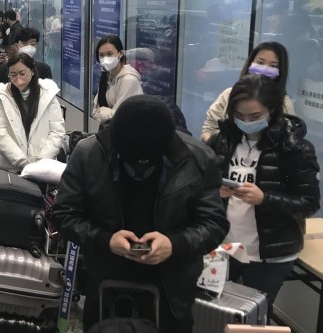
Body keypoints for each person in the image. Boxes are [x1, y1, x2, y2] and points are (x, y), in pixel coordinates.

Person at [52, 94, 230, 333]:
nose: (139, 171)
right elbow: (64, 215)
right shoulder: (89, 154)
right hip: (106, 282)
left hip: (171, 290)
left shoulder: (197, 159)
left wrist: (174, 244)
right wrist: (106, 239)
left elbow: (214, 223)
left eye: (148, 163)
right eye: (131, 163)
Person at [207, 74, 320, 320]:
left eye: (255, 117)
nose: (246, 122)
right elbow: (204, 185)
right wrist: (216, 192)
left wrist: (265, 198)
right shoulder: (225, 139)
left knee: (254, 317)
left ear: (272, 110)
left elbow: (310, 203)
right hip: (224, 244)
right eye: (239, 116)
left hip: (269, 253)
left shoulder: (295, 148)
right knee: (214, 310)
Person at [201, 41, 295, 143]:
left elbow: (289, 140)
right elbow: (208, 130)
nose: (264, 68)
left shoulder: (285, 103)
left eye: (273, 65)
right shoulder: (228, 94)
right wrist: (219, 148)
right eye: (260, 62)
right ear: (250, 62)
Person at [0, 53, 65, 171]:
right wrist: (22, 162)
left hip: (44, 167)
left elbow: (57, 132)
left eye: (22, 74)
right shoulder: (3, 96)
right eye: (13, 75)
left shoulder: (48, 95)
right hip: (12, 167)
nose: (18, 80)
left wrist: (39, 162)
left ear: (32, 71)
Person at [91, 35, 143, 125]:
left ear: (121, 54)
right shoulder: (106, 76)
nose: (105, 58)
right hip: (109, 131)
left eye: (110, 54)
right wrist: (107, 112)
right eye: (101, 55)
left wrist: (103, 110)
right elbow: (95, 111)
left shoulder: (129, 80)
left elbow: (119, 116)